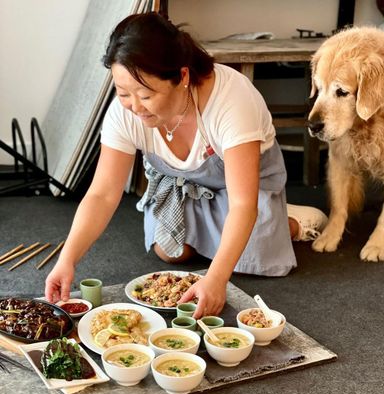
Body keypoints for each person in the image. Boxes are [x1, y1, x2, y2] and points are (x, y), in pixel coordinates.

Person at [45, 12, 327, 317]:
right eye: (123, 92)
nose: (135, 107)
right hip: (182, 185)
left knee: (250, 260)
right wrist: (67, 260)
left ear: (182, 76)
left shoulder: (231, 98)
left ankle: (288, 221)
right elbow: (102, 193)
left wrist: (216, 279)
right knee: (172, 253)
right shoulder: (124, 111)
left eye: (146, 94)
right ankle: (236, 226)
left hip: (243, 186)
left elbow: (244, 203)